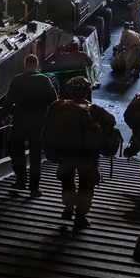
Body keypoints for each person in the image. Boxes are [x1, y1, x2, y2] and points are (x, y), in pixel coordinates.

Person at [45, 76, 115, 229]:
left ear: (70, 91)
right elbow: (111, 121)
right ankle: (80, 216)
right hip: (85, 156)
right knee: (86, 183)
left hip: (65, 153)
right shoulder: (93, 109)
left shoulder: (58, 106)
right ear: (86, 91)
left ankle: (68, 207)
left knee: (67, 179)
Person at [0, 54, 58, 197]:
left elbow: (9, 100)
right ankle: (34, 188)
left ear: (25, 64)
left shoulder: (17, 79)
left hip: (20, 122)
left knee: (16, 152)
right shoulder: (45, 80)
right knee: (36, 156)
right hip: (38, 124)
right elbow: (54, 101)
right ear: (37, 65)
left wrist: (2, 116)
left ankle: (20, 180)